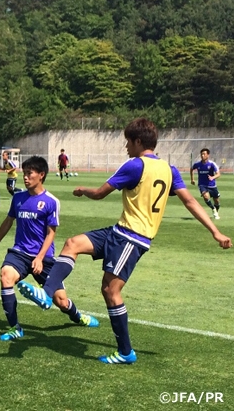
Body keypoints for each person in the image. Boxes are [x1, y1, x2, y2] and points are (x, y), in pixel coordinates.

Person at [18, 118, 232, 365]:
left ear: (138, 141)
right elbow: (191, 202)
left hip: (133, 237)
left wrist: (83, 190)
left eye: (128, 142)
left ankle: (125, 352)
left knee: (111, 290)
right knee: (73, 244)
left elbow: (100, 194)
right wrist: (215, 231)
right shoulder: (169, 169)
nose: (126, 147)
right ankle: (46, 294)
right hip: (119, 231)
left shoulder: (134, 166)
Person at [0, 156, 99, 341]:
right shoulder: (18, 198)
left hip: (44, 258)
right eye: (24, 173)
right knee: (6, 276)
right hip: (20, 253)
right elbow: (8, 221)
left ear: (41, 175)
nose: (25, 177)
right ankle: (15, 328)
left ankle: (78, 317)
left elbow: (51, 233)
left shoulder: (51, 201)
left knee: (61, 302)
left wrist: (39, 258)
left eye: (29, 173)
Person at [190, 148, 221, 219]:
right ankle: (213, 209)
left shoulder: (212, 164)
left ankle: (216, 211)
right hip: (202, 184)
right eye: (201, 154)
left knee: (216, 201)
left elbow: (218, 174)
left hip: (212, 185)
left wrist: (213, 177)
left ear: (208, 155)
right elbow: (191, 169)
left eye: (204, 154)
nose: (202, 155)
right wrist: (192, 179)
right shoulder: (197, 164)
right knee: (206, 196)